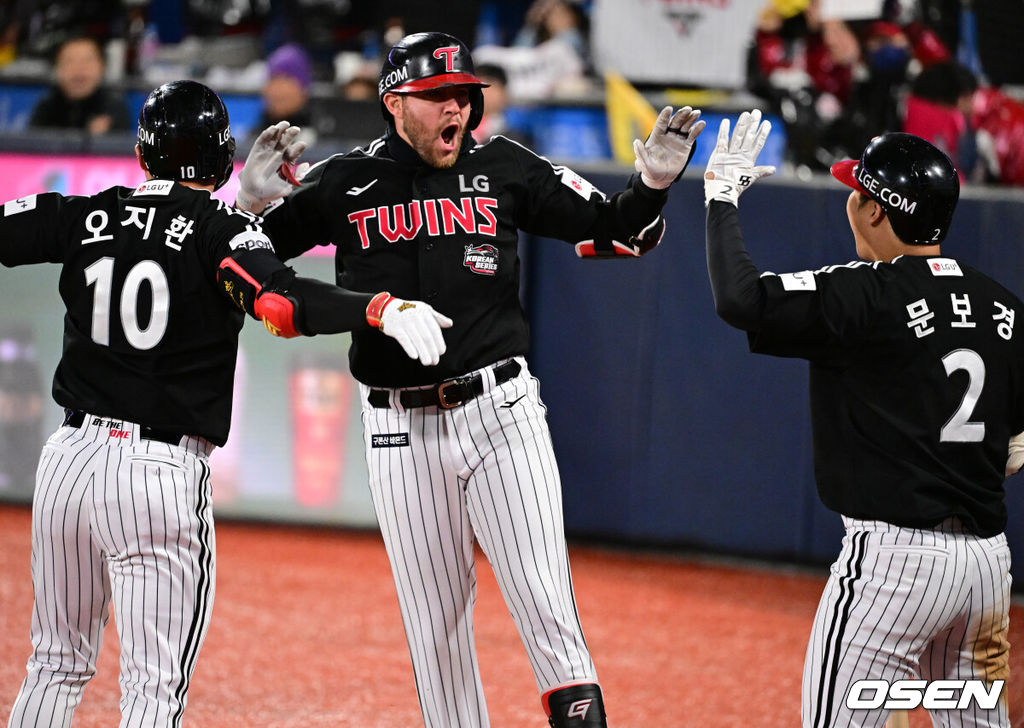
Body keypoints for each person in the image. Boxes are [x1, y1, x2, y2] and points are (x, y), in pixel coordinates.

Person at [234, 30, 704, 728]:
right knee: (437, 630)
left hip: (501, 413)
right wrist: (245, 207)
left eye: (464, 96)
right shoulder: (343, 180)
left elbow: (615, 231)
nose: (457, 108)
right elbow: (245, 261)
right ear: (395, 102)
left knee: (548, 607)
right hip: (399, 427)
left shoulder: (506, 166)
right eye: (437, 97)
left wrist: (653, 187)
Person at [4, 79, 447, 727]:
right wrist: (376, 306)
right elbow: (281, 303)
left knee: (54, 664)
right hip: (156, 473)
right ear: (219, 156)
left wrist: (243, 209)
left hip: (68, 460)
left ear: (142, 150)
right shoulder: (221, 231)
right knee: (153, 692)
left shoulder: (87, 212)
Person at [703, 113, 1021, 727]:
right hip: (985, 565)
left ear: (878, 211)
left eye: (859, 191)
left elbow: (740, 299)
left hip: (895, 567)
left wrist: (721, 199)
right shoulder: (1002, 303)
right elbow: (1016, 443)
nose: (852, 200)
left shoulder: (866, 293)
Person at [28, 35, 131, 135]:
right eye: (70, 61)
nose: (79, 69)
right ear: (57, 68)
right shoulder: (45, 109)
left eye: (87, 61)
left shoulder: (114, 111)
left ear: (102, 67)